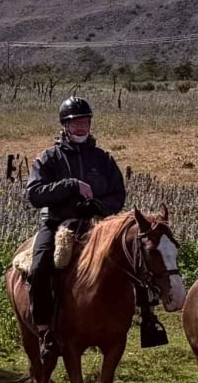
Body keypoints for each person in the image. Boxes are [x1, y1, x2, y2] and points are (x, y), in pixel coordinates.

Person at [25, 96, 126, 356]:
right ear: (65, 126)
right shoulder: (48, 158)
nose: (81, 127)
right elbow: (34, 195)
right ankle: (45, 329)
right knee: (39, 268)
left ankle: (142, 318)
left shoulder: (103, 159)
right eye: (75, 123)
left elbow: (118, 194)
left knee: (129, 262)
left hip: (94, 225)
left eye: (85, 121)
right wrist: (69, 186)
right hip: (56, 223)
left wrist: (98, 207)